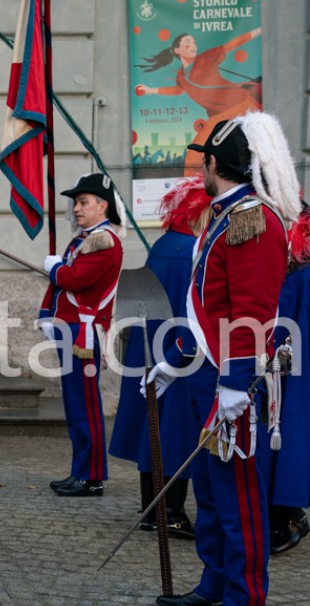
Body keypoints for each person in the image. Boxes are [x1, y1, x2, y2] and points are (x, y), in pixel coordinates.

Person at [148, 112, 300, 606]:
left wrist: (236, 383)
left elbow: (251, 315)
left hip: (236, 382)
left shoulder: (250, 219)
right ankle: (215, 581)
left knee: (238, 497)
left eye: (203, 161)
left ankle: (246, 604)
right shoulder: (225, 216)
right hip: (208, 372)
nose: (200, 169)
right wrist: (173, 361)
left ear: (214, 163)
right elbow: (208, 308)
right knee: (212, 492)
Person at [109, 177, 212, 536]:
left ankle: (152, 508)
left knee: (151, 425)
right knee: (173, 430)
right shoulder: (194, 249)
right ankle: (169, 512)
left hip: (151, 343)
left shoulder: (164, 244)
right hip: (179, 348)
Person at [40, 173, 124, 497]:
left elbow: (74, 279)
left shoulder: (104, 241)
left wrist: (55, 268)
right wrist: (48, 314)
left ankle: (91, 477)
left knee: (85, 406)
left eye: (83, 202)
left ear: (102, 206)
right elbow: (63, 285)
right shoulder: (84, 239)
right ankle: (80, 470)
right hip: (72, 329)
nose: (76, 208)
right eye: (76, 202)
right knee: (75, 405)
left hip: (84, 335)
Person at [135, 30, 262, 175]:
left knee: (196, 154)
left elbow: (232, 44)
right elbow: (178, 90)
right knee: (202, 154)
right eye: (187, 43)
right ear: (177, 50)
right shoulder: (180, 75)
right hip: (221, 114)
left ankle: (192, 185)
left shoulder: (206, 58)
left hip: (239, 104)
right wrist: (151, 90)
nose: (193, 46)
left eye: (194, 43)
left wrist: (258, 31)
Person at [260, 203, 310, 555]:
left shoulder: (298, 275)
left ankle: (288, 516)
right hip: (283, 368)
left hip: (289, 371)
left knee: (284, 442)